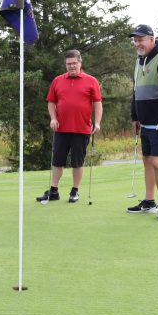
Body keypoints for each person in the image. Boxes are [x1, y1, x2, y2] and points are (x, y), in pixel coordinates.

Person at [36, 49, 103, 203]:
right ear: (65, 64)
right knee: (57, 161)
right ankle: (53, 191)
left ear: (80, 63)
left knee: (77, 162)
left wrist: (97, 122)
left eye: (74, 63)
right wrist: (53, 118)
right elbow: (51, 102)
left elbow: (97, 104)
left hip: (82, 129)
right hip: (61, 129)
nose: (71, 66)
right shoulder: (57, 80)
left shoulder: (91, 81)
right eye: (68, 64)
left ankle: (75, 191)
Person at [126, 24, 158, 220]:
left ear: (152, 39)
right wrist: (135, 116)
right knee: (147, 160)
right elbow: (136, 92)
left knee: (157, 162)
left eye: (141, 39)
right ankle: (149, 201)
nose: (137, 43)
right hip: (145, 121)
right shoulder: (139, 61)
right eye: (135, 40)